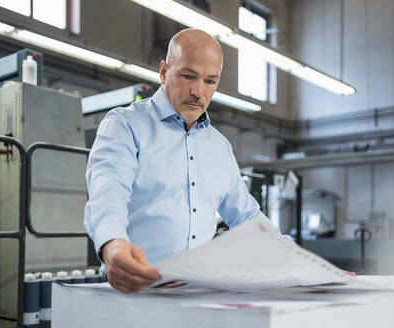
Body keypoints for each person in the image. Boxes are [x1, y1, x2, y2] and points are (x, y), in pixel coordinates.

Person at [84, 28, 261, 294]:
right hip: (132, 290)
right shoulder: (125, 125)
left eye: (210, 81)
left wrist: (303, 265)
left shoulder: (220, 147)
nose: (198, 92)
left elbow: (247, 216)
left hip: (194, 293)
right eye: (188, 76)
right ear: (164, 71)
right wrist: (113, 244)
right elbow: (108, 193)